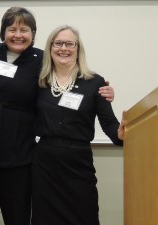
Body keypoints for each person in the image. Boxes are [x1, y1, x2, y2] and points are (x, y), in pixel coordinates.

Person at [0, 7, 116, 225]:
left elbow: (105, 119)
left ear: (33, 34)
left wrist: (104, 94)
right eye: (12, 29)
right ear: (3, 32)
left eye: (25, 29)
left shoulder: (45, 62)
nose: (18, 34)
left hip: (37, 155)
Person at [31, 25, 124, 225]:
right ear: (50, 48)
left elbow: (109, 122)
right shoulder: (39, 81)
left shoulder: (95, 82)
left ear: (78, 48)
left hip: (78, 162)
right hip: (45, 163)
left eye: (69, 44)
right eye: (58, 43)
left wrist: (121, 134)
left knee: (84, 215)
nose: (63, 48)